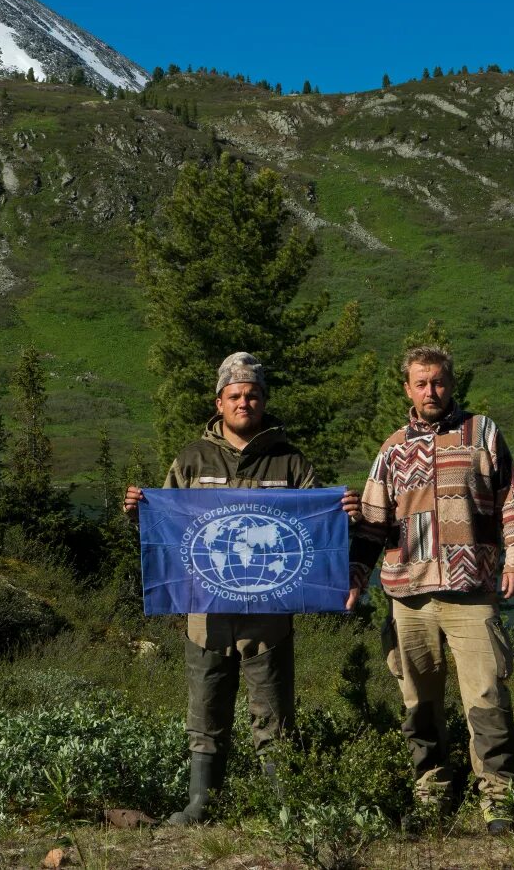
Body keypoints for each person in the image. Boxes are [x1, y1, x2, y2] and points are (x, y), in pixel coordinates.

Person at [124, 352, 358, 825]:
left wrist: (343, 512)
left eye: (252, 394)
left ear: (264, 399)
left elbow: (314, 529)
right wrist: (140, 513)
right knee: (205, 704)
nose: (244, 401)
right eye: (235, 395)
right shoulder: (191, 459)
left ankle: (281, 803)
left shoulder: (290, 461)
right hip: (205, 611)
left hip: (270, 611)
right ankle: (200, 802)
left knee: (272, 709)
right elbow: (169, 529)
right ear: (219, 401)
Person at [349, 345, 514, 835]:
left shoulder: (482, 433)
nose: (432, 391)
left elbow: (509, 500)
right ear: (408, 388)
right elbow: (370, 525)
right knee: (418, 701)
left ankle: (498, 799)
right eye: (421, 383)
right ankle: (432, 792)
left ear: (452, 384)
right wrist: (356, 578)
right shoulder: (390, 448)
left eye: (440, 382)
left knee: (487, 695)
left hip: (471, 589)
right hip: (408, 594)